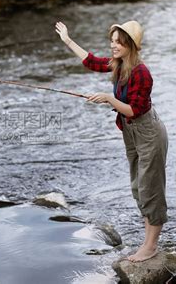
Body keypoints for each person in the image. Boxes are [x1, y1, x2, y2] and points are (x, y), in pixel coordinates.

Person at [55, 20, 168, 262]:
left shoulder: (141, 73)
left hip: (148, 133)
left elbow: (134, 110)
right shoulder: (118, 64)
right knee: (139, 187)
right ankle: (148, 242)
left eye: (119, 42)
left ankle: (151, 246)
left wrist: (107, 98)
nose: (113, 45)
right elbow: (92, 62)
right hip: (131, 133)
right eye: (113, 40)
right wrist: (67, 40)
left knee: (151, 188)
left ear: (131, 45)